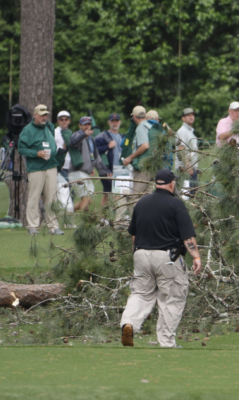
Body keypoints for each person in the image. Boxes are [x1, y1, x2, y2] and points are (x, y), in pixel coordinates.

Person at [120, 169, 201, 348]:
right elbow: (188, 236)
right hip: (167, 256)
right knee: (172, 297)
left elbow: (133, 234)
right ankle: (166, 341)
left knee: (140, 294)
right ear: (172, 183)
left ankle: (129, 325)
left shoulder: (141, 202)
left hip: (141, 254)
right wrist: (196, 256)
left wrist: (137, 252)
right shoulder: (176, 204)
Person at [17, 104, 63, 236]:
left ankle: (53, 226)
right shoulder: (27, 130)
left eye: (46, 115)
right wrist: (36, 153)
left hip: (51, 166)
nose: (44, 117)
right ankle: (32, 226)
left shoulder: (49, 126)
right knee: (34, 197)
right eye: (42, 115)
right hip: (36, 168)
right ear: (35, 115)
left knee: (51, 197)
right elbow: (21, 149)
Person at [68, 116, 111, 212]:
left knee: (89, 200)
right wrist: (84, 134)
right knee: (86, 199)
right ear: (80, 126)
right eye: (84, 125)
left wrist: (105, 171)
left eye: (88, 124)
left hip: (85, 173)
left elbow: (97, 158)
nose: (87, 126)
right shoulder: (76, 135)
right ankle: (85, 223)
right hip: (76, 172)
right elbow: (72, 143)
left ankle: (67, 213)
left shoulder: (91, 139)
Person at [94, 113, 123, 205]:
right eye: (112, 121)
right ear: (108, 122)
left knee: (108, 193)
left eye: (116, 121)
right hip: (107, 169)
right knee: (114, 193)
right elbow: (94, 150)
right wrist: (108, 146)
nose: (115, 123)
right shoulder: (102, 135)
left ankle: (103, 217)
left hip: (121, 170)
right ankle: (119, 216)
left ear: (120, 122)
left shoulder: (123, 137)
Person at [54, 110, 74, 215]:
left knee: (72, 191)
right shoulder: (55, 132)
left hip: (70, 166)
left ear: (69, 121)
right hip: (61, 166)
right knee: (65, 191)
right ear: (58, 121)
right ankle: (65, 215)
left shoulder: (70, 132)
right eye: (61, 119)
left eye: (66, 119)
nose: (64, 121)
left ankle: (67, 213)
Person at [175, 108, 199, 189]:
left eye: (192, 115)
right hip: (185, 170)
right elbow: (181, 149)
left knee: (193, 194)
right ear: (183, 118)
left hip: (191, 168)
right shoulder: (182, 131)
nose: (191, 117)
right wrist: (188, 167)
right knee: (187, 196)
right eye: (188, 115)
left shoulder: (190, 131)